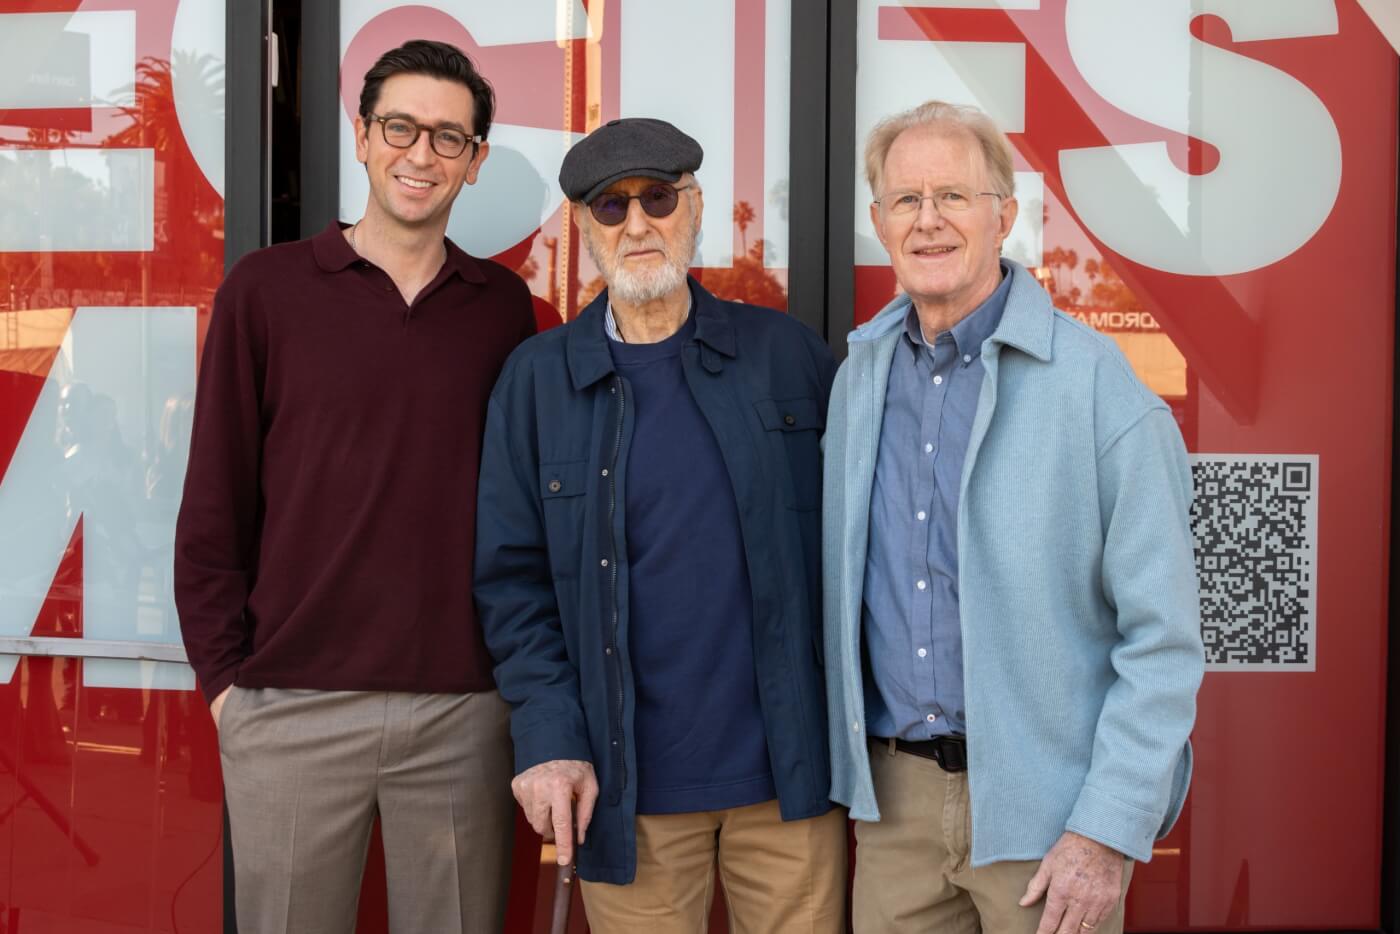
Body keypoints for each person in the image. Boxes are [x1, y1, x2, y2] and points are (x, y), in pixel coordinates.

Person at [174, 39, 534, 934]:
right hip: (291, 709)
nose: (422, 155)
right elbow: (214, 507)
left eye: (449, 138)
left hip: (461, 713)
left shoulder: (503, 309)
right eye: (401, 128)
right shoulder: (267, 292)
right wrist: (231, 690)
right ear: (364, 138)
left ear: (476, 161)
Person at [823, 99, 1205, 934]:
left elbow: (1165, 640)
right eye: (906, 200)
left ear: (1005, 214)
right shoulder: (859, 378)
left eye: (954, 196)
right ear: (879, 223)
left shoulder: (1101, 389)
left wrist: (1106, 827)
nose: (929, 221)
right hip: (896, 816)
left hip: (1052, 814)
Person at [475, 117, 846, 933]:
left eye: (658, 198)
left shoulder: (787, 356)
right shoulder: (538, 383)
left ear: (695, 206)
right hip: (626, 792)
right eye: (611, 207)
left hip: (790, 782)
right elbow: (513, 586)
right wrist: (547, 737)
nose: (637, 224)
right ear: (583, 227)